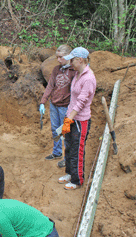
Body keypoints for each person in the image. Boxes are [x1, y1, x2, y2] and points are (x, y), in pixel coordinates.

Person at [58, 47, 96, 190]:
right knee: (68, 147)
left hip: (81, 120)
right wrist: (68, 118)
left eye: (73, 60)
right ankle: (69, 173)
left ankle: (77, 180)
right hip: (71, 117)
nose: (71, 63)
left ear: (80, 60)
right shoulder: (78, 74)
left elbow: (81, 102)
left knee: (77, 150)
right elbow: (73, 99)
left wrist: (69, 119)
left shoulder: (88, 78)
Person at [39, 44, 76, 168]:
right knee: (55, 129)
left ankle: (67, 157)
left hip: (66, 106)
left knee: (65, 131)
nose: (58, 60)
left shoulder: (74, 71)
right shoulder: (56, 69)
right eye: (57, 57)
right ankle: (57, 152)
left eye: (61, 57)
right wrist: (43, 101)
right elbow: (50, 86)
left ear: (68, 56)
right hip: (54, 105)